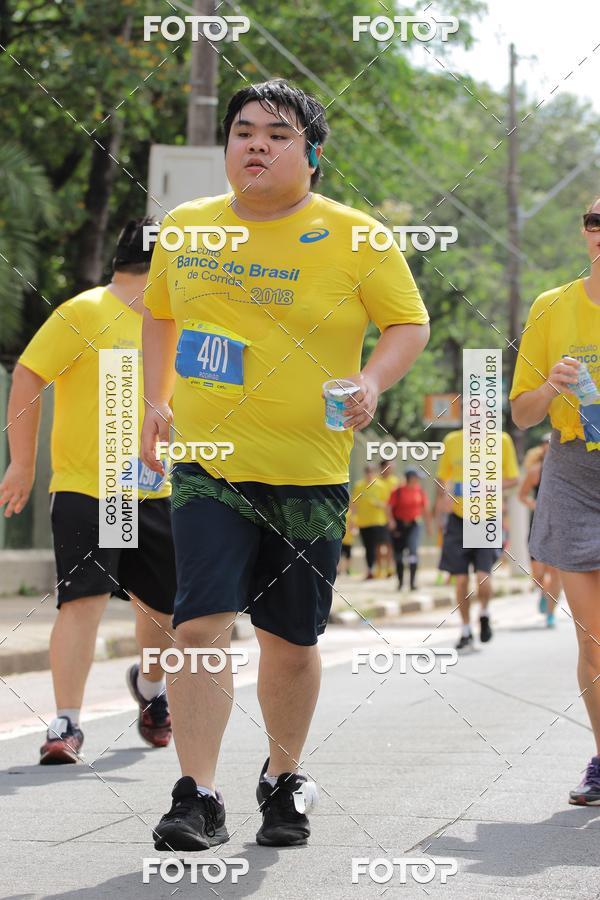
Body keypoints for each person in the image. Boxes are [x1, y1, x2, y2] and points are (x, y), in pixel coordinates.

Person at [140, 78, 429, 850]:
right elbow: (161, 316)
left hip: (309, 468)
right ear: (226, 148)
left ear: (312, 152)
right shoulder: (188, 228)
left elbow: (408, 323)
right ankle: (195, 793)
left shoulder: (356, 235)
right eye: (242, 131)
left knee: (291, 640)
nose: (256, 144)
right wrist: (152, 401)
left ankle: (281, 778)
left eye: (277, 132)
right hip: (208, 465)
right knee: (198, 624)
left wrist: (372, 379)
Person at [0, 219, 177, 764]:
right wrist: (22, 463)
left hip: (155, 488)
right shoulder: (84, 311)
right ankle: (66, 723)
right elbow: (28, 375)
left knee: (163, 610)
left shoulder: (181, 321)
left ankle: (151, 691)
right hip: (91, 486)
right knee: (84, 600)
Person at [510, 197, 600, 806]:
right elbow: (520, 413)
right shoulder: (552, 306)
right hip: (572, 471)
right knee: (592, 639)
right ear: (584, 233)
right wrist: (550, 384)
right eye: (595, 221)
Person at [435, 427, 520, 650]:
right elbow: (442, 477)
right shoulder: (452, 439)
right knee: (461, 579)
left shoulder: (502, 440)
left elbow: (513, 478)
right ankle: (465, 630)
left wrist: (488, 486)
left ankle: (483, 613)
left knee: (483, 578)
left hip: (486, 518)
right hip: (458, 518)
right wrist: (443, 495)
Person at [518, 434, 561, 627]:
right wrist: (535, 505)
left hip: (560, 528)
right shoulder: (536, 471)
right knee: (538, 575)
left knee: (556, 573)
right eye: (547, 444)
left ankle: (551, 613)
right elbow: (521, 496)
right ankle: (544, 593)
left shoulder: (566, 472)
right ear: (542, 448)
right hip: (539, 527)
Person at [388, 468, 432, 591]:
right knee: (399, 555)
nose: (418, 480)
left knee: (413, 552)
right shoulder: (398, 491)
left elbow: (425, 509)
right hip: (399, 526)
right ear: (410, 478)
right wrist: (391, 521)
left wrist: (429, 526)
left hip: (414, 525)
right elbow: (389, 507)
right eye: (416, 477)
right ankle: (400, 582)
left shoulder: (420, 491)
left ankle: (412, 583)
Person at [352, 464, 391, 580]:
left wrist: (378, 504)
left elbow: (388, 504)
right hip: (363, 522)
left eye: (371, 472)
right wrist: (353, 520)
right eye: (367, 472)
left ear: (374, 473)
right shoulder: (359, 486)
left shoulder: (381, 486)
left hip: (378, 521)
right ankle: (370, 570)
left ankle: (382, 569)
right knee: (368, 547)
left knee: (379, 546)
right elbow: (354, 504)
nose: (369, 474)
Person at [378, 459, 401, 576]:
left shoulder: (395, 481)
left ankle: (389, 568)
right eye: (388, 467)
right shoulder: (376, 482)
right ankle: (380, 568)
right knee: (379, 545)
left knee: (390, 544)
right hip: (378, 518)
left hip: (393, 518)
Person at [338, 506, 356, 576]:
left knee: (347, 555)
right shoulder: (343, 513)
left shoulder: (349, 514)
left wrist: (354, 531)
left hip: (347, 538)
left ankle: (347, 570)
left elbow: (353, 525)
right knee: (342, 555)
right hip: (343, 538)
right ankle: (340, 570)